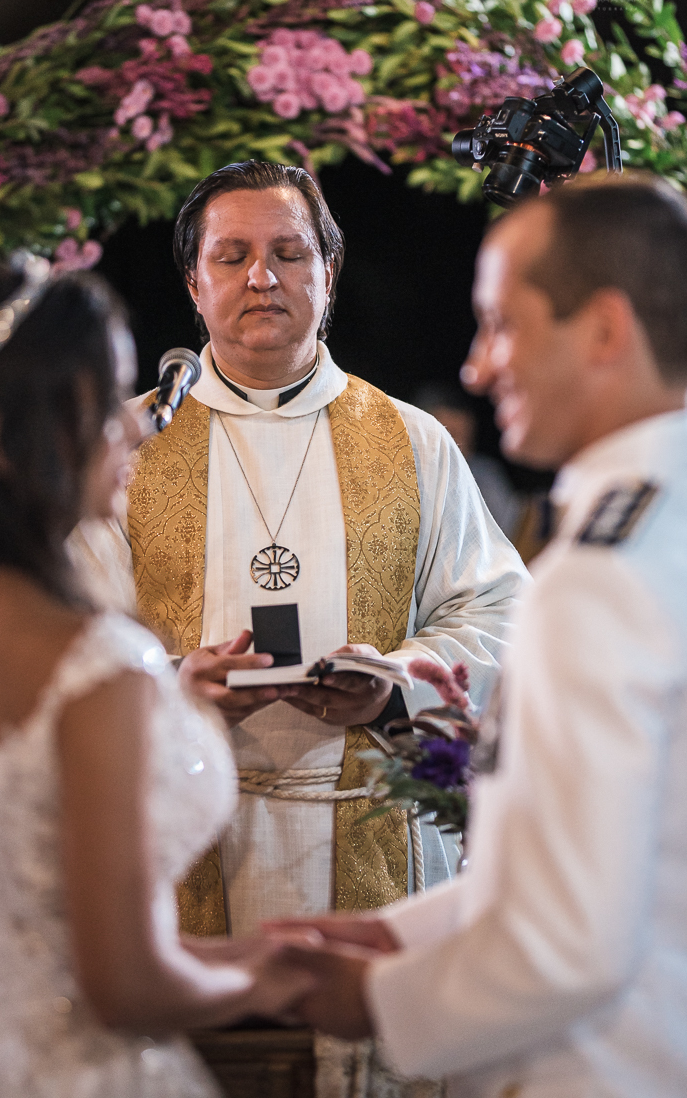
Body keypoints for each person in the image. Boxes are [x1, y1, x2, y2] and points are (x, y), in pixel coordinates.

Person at [271, 172, 687, 1098]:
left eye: (501, 323)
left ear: (606, 331)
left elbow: (571, 946)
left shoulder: (604, 579)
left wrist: (380, 999)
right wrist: (407, 933)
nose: (476, 365)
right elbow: (629, 848)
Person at [0, 255, 314, 1098]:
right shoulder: (94, 667)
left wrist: (245, 949)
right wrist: (274, 982)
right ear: (3, 439)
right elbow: (124, 987)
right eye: (101, 403)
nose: (133, 430)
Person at [71, 159, 527, 947]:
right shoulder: (127, 443)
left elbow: (502, 609)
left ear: (329, 272)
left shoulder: (411, 440)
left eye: (288, 253)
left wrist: (390, 690)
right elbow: (70, 631)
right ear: (192, 282)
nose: (261, 278)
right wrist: (173, 688)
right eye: (231, 256)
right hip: (182, 821)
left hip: (368, 821)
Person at [412, 381, 521, 537]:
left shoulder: (485, 479)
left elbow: (509, 535)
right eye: (451, 437)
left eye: (467, 440)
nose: (461, 450)